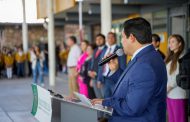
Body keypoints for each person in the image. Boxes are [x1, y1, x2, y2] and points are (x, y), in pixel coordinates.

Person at [92, 17, 167, 122]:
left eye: (122, 37)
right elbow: (132, 83)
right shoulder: (146, 56)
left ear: (131, 37)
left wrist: (105, 102)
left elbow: (132, 108)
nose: (121, 42)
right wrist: (116, 70)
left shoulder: (145, 65)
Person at [165, 34, 188, 122]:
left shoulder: (182, 58)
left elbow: (177, 77)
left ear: (179, 44)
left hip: (178, 95)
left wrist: (167, 89)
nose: (170, 44)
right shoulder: (169, 58)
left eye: (173, 42)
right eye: (169, 42)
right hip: (169, 95)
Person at [97, 32, 126, 98]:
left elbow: (123, 65)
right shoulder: (104, 49)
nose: (110, 39)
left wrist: (121, 80)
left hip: (115, 78)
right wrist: (99, 79)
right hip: (105, 78)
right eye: (108, 37)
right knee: (106, 98)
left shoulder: (119, 50)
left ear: (115, 38)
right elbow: (100, 66)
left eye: (112, 37)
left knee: (115, 98)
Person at [88, 34, 106, 98]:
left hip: (101, 78)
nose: (98, 41)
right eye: (97, 39)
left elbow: (104, 65)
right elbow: (92, 62)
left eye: (100, 39)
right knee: (98, 97)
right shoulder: (95, 50)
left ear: (104, 40)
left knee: (103, 96)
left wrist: (97, 74)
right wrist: (90, 71)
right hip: (94, 77)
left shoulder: (106, 50)